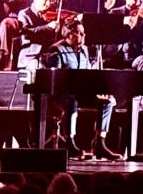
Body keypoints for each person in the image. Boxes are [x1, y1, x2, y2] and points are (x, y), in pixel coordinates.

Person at [46, 21, 121, 160]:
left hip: (81, 92)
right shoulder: (57, 50)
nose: (83, 36)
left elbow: (89, 75)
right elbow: (55, 79)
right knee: (71, 102)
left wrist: (98, 90)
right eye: (79, 33)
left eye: (83, 33)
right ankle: (69, 142)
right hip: (61, 94)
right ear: (68, 34)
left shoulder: (84, 50)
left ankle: (99, 143)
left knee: (108, 102)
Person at [17, 0, 59, 70]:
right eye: (46, 0)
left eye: (50, 1)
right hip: (31, 53)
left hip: (48, 54)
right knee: (38, 67)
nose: (48, 4)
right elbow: (26, 31)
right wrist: (47, 27)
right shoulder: (24, 13)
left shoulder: (50, 14)